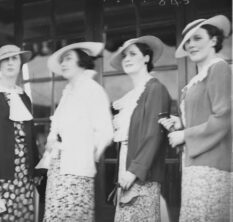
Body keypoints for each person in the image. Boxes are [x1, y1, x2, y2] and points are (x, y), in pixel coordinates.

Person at [159, 15, 232, 221]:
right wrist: (179, 123)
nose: (190, 44)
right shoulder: (194, 82)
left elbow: (224, 117)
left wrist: (184, 135)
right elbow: (202, 116)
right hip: (193, 164)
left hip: (213, 165)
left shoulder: (219, 69)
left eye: (197, 38)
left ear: (214, 41)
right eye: (188, 41)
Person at [42, 42, 113, 221]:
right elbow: (56, 126)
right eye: (62, 61)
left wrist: (86, 155)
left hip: (77, 171)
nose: (64, 64)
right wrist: (52, 141)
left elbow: (105, 132)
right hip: (58, 168)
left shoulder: (92, 90)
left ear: (81, 61)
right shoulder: (67, 93)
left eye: (68, 59)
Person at [0, 44, 39, 222]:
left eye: (14, 58)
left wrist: (35, 170)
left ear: (20, 63)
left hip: (24, 177)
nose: (10, 63)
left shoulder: (24, 97)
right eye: (5, 59)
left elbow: (30, 138)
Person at [109, 36, 171, 221]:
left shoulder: (155, 89)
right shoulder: (132, 95)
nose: (127, 58)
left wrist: (134, 170)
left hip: (141, 172)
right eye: (124, 55)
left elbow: (153, 135)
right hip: (126, 165)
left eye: (133, 54)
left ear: (146, 58)